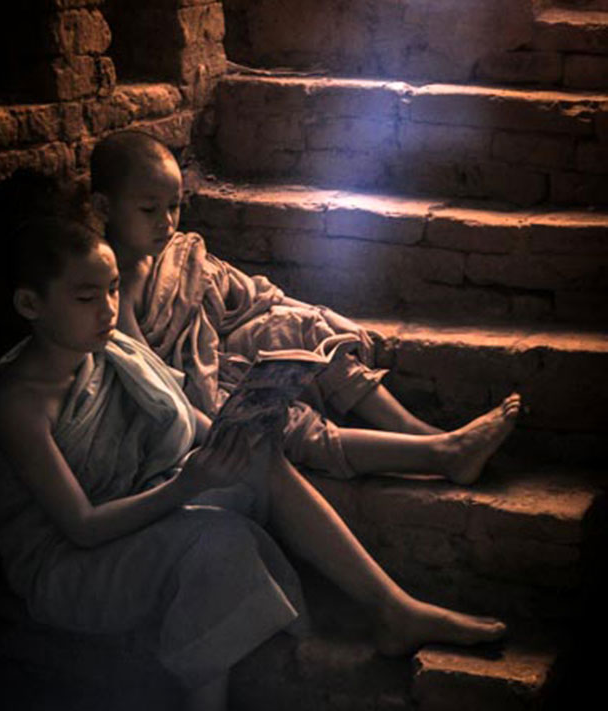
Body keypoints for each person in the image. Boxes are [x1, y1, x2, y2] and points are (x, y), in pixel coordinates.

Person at [0, 218, 506, 711]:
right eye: (85, 296)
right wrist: (186, 487)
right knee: (216, 539)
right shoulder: (17, 405)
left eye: (114, 290)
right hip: (69, 565)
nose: (107, 309)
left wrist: (241, 427)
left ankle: (392, 608)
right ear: (30, 303)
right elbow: (81, 527)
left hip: (139, 501)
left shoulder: (114, 353)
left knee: (259, 459)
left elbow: (188, 428)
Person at [90, 129, 522, 483]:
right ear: (104, 209)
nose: (166, 222)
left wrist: (314, 319)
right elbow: (145, 373)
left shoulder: (179, 254)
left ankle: (419, 431)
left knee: (303, 327)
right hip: (192, 387)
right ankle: (440, 454)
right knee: (276, 419)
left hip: (223, 346)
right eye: (149, 210)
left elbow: (250, 296)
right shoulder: (113, 282)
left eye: (174, 207)